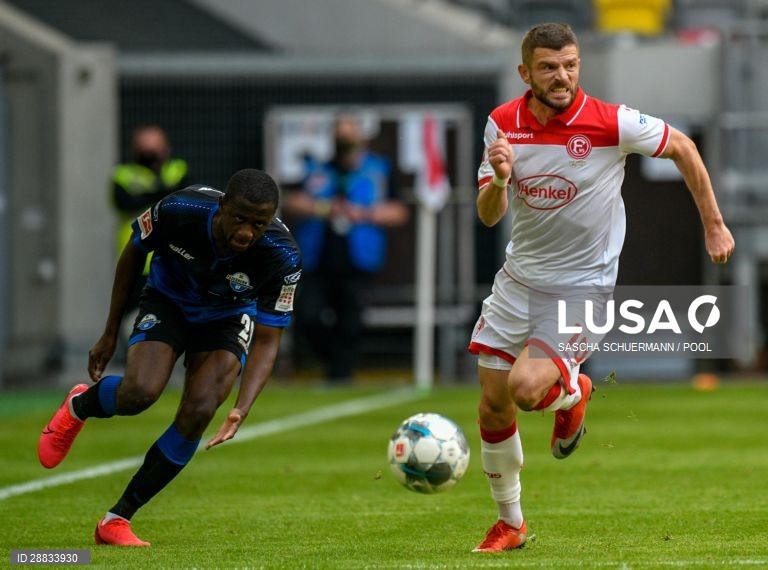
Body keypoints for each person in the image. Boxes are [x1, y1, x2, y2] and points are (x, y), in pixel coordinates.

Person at [467, 23, 735, 553]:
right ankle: (510, 524)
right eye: (548, 67)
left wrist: (714, 225)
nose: (562, 76)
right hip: (517, 282)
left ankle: (573, 392)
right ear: (525, 73)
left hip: (581, 288)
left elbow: (683, 147)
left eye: (570, 65)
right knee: (493, 407)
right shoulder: (502, 123)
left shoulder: (610, 122)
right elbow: (489, 215)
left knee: (526, 389)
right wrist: (498, 179)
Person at [37, 169, 301, 547]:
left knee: (200, 410)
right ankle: (79, 405)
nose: (247, 232)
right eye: (240, 219)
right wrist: (110, 332)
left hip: (227, 316)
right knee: (139, 393)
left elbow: (268, 340)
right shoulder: (180, 209)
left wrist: (241, 408)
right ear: (222, 205)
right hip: (168, 301)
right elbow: (133, 254)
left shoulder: (283, 255)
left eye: (258, 224)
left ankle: (116, 520)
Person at [283, 114, 409, 383]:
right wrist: (324, 208)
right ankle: (332, 362)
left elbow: (399, 211)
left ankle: (340, 375)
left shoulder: (379, 170)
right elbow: (292, 202)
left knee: (350, 319)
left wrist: (363, 213)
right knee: (307, 314)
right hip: (319, 258)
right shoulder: (317, 169)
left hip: (358, 259)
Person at [111, 125, 189, 325]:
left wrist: (147, 195)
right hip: (136, 257)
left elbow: (187, 197)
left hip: (175, 257)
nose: (150, 155)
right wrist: (164, 193)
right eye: (145, 150)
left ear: (166, 148)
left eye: (154, 149)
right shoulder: (123, 174)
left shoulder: (178, 169)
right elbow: (124, 203)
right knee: (133, 316)